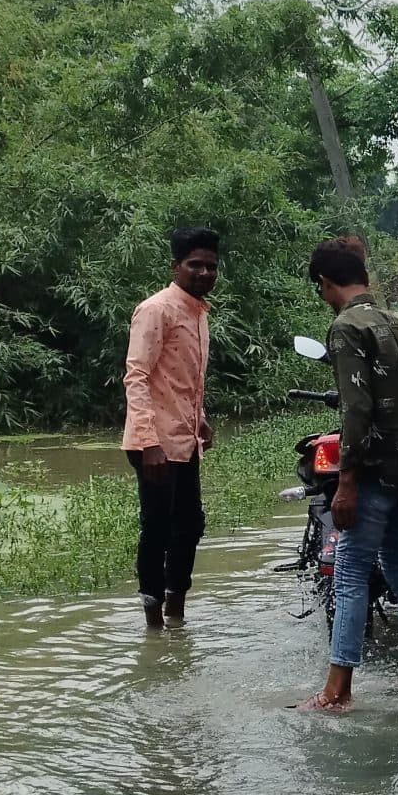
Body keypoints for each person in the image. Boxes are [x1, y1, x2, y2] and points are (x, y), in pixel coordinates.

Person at [303, 237, 398, 710]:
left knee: (349, 574)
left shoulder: (346, 327)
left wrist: (345, 482)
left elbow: (356, 408)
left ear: (324, 283)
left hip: (370, 471)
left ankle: (337, 689)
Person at [121, 226, 219, 629]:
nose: (204, 273)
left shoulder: (197, 312)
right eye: (195, 265)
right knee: (158, 529)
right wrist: (149, 443)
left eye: (211, 267)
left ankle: (176, 612)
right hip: (156, 444)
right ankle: (154, 623)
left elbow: (182, 379)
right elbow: (137, 375)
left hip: (185, 438)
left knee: (190, 525)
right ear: (175, 266)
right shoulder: (156, 310)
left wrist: (201, 420)